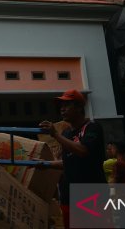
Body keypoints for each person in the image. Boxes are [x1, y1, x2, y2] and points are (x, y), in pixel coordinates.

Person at [39, 90, 106, 229]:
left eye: (67, 105)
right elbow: (67, 162)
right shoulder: (66, 133)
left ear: (79, 107)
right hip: (68, 196)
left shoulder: (92, 128)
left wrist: (55, 135)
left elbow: (83, 150)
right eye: (61, 106)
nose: (62, 109)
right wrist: (46, 164)